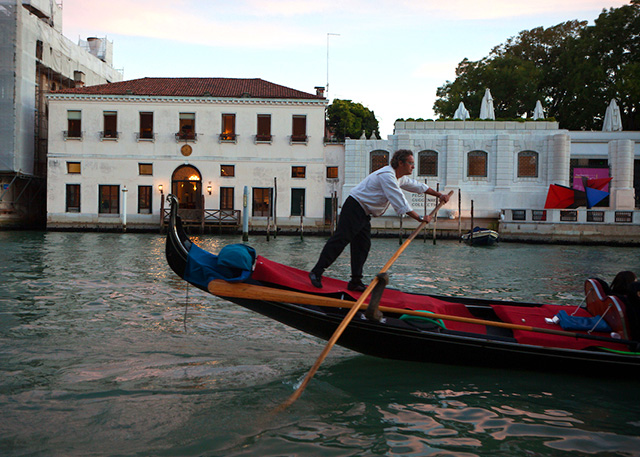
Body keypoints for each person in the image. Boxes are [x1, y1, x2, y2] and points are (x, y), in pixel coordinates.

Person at [309, 149, 449, 291]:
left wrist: (440, 195)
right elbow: (400, 201)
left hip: (363, 212)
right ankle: (316, 272)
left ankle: (355, 282)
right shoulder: (387, 176)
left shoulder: (398, 177)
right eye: (411, 163)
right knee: (340, 240)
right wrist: (419, 217)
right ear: (400, 163)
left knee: (363, 246)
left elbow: (419, 186)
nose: (413, 166)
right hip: (354, 207)